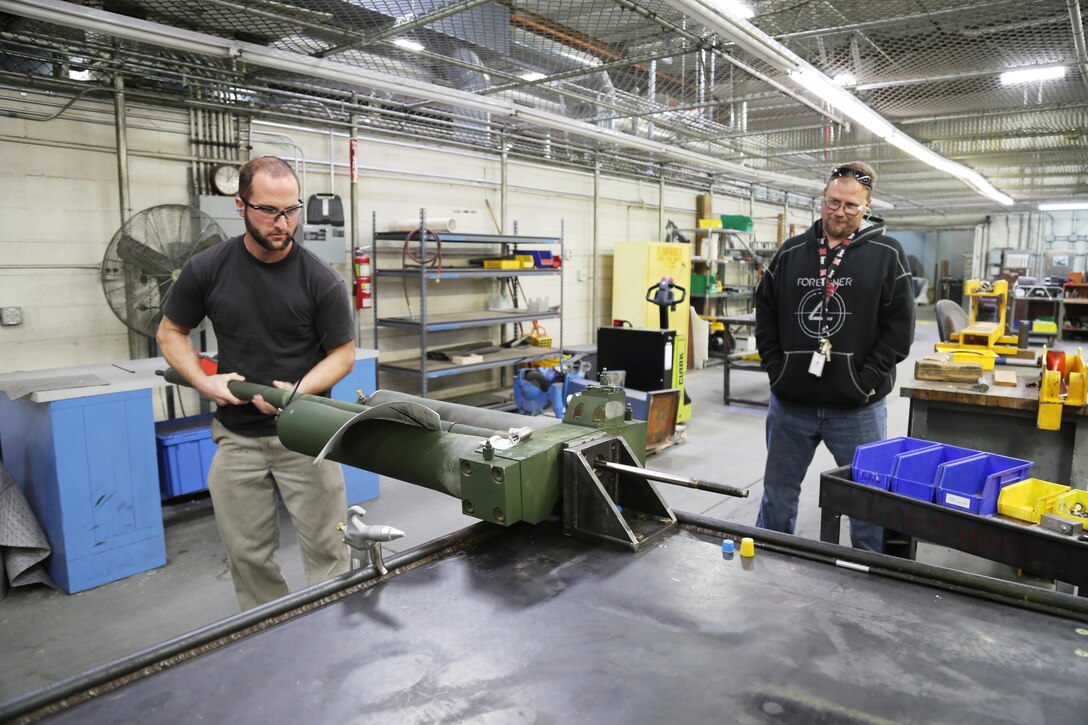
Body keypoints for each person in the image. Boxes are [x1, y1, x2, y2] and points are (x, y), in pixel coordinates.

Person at [157, 155, 356, 610]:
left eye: (291, 210)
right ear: (240, 206)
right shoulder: (208, 269)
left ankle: (329, 635)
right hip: (237, 437)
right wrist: (205, 384)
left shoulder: (320, 280)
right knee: (248, 557)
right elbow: (170, 333)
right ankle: (269, 635)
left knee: (329, 551)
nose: (282, 222)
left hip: (307, 437)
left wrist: (295, 393)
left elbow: (341, 354)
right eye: (268, 210)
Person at [753, 161, 915, 551]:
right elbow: (766, 314)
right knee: (777, 494)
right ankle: (768, 562)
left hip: (858, 407)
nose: (839, 212)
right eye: (832, 202)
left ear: (867, 206)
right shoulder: (791, 252)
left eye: (850, 206)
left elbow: (899, 328)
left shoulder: (887, 253)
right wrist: (777, 370)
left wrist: (868, 379)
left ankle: (870, 573)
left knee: (867, 502)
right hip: (791, 403)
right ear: (823, 199)